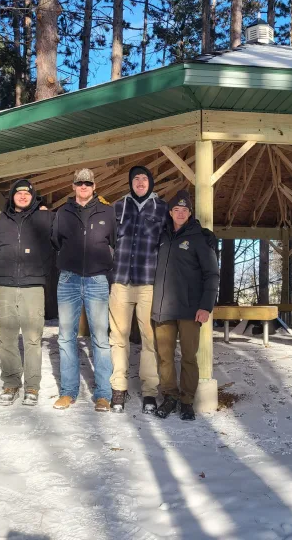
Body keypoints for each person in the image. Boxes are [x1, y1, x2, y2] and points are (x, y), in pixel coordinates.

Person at [151, 190, 219, 421]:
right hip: (163, 308)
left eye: (184, 210)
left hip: (191, 309)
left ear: (190, 213)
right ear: (170, 213)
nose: (180, 213)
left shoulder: (200, 238)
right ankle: (169, 396)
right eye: (176, 210)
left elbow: (212, 274)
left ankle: (187, 400)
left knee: (189, 357)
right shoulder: (161, 236)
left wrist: (206, 306)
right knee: (165, 356)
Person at [51, 168, 116, 412]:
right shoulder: (63, 213)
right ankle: (68, 392)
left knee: (100, 338)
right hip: (68, 279)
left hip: (97, 280)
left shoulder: (107, 212)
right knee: (66, 336)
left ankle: (102, 394)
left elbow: (116, 241)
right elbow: (55, 240)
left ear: (94, 185)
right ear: (73, 186)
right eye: (79, 183)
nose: (84, 187)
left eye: (88, 183)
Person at [0, 179, 55, 406]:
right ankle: (11, 382)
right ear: (12, 197)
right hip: (5, 284)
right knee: (5, 337)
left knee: (33, 338)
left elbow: (64, 236)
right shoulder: (1, 219)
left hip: (33, 285)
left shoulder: (45, 217)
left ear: (33, 196)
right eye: (19, 193)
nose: (23, 196)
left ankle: (32, 387)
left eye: (27, 193)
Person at [108, 166, 167, 414]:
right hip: (120, 281)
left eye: (144, 178)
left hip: (148, 284)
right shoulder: (118, 207)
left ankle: (150, 392)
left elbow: (175, 236)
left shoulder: (162, 209)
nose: (140, 182)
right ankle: (119, 388)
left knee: (149, 339)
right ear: (130, 183)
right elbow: (106, 238)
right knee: (118, 338)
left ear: (151, 183)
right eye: (135, 179)